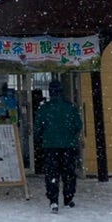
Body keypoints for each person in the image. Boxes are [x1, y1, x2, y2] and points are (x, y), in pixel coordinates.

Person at [34, 81, 83, 212]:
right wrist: (70, 134)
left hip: (50, 146)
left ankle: (53, 200)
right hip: (69, 145)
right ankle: (68, 198)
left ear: (50, 92)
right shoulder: (71, 107)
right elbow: (78, 125)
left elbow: (38, 128)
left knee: (52, 174)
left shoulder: (44, 109)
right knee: (69, 174)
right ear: (62, 92)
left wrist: (40, 140)